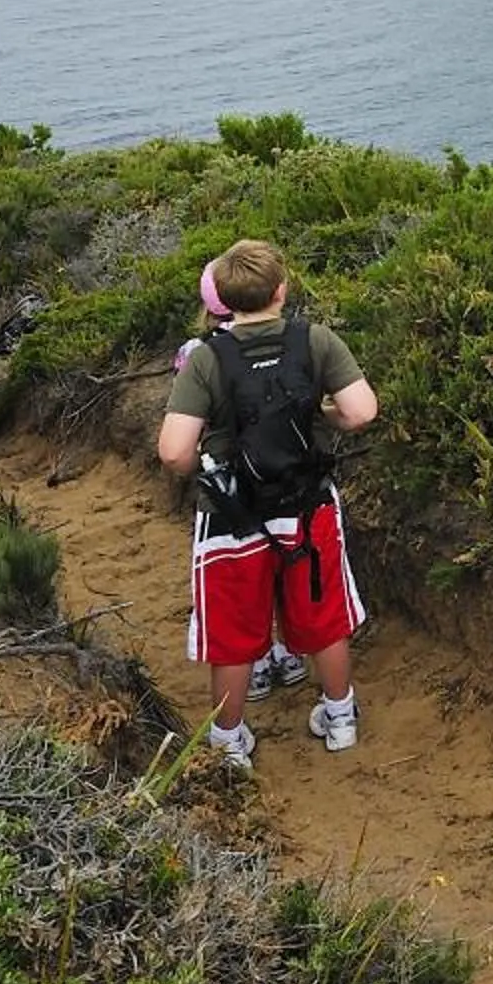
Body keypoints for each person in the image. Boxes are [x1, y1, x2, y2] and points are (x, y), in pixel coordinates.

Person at [155, 238, 378, 770]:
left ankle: (230, 742)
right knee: (324, 617)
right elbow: (362, 411)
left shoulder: (206, 358)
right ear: (282, 288)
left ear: (225, 300)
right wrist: (325, 418)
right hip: (307, 505)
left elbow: (172, 452)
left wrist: (207, 473)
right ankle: (339, 717)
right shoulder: (315, 340)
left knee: (232, 634)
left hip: (232, 516)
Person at [172, 257, 308, 703]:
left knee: (242, 585)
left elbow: (182, 438)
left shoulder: (197, 354)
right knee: (287, 573)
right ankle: (290, 652)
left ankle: (259, 664)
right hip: (289, 480)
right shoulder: (293, 341)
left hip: (231, 492)